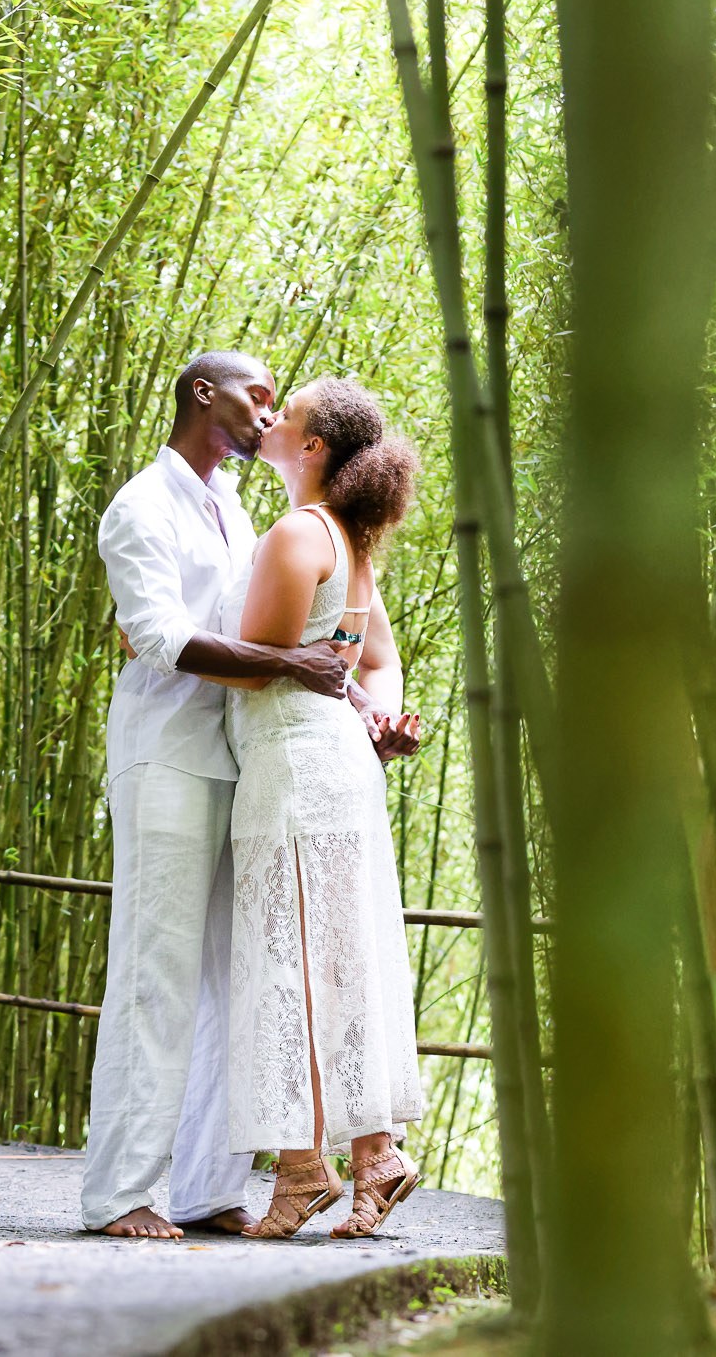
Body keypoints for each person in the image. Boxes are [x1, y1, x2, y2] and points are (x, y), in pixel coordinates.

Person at [83, 352, 417, 1241]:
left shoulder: (244, 511)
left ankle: (209, 1184)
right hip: (171, 755)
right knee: (157, 971)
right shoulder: (143, 506)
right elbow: (160, 635)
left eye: (281, 403)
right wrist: (302, 669)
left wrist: (353, 698)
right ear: (205, 394)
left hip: (256, 762)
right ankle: (120, 1191)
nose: (268, 413)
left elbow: (328, 642)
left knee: (245, 979)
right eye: (257, 395)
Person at [200, 378, 428, 1240]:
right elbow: (378, 661)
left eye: (286, 413)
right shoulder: (347, 537)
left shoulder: (300, 531)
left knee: (289, 957)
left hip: (295, 762)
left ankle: (305, 1171)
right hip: (336, 763)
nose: (270, 418)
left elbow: (257, 662)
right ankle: (372, 1156)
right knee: (334, 957)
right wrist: (377, 719)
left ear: (313, 446)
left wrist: (156, 640)